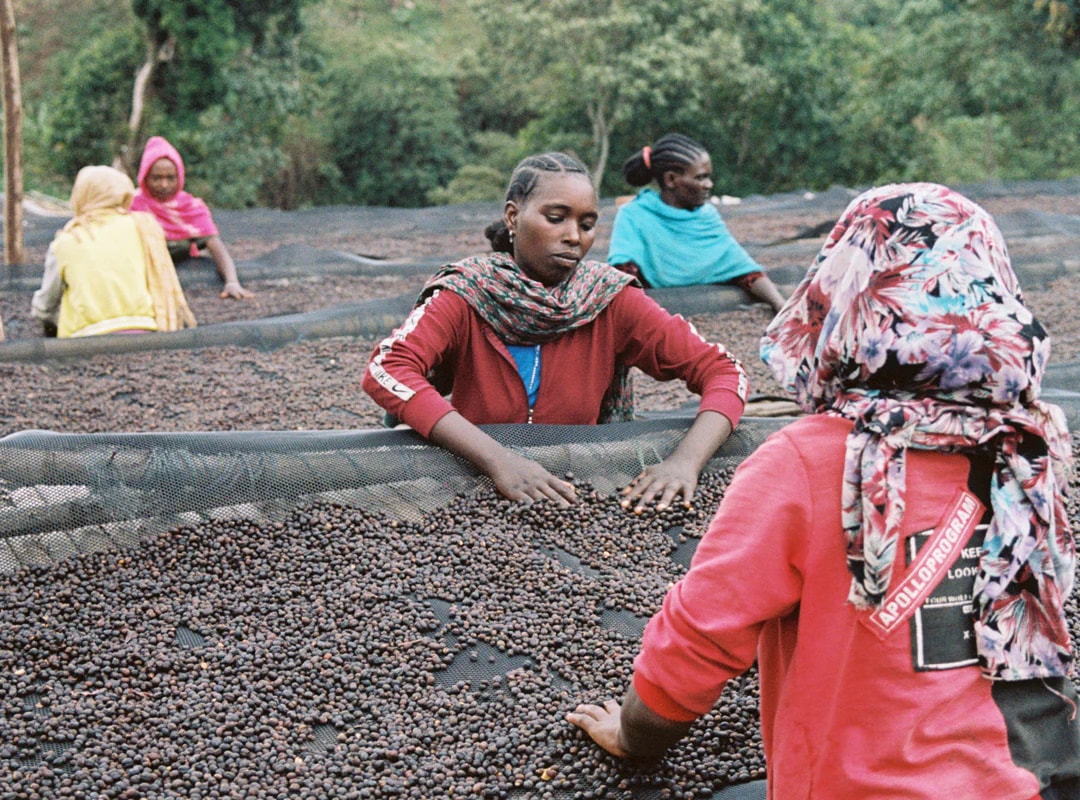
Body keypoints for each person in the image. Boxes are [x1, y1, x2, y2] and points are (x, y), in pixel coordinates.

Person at [568, 183, 1080, 798]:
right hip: (1028, 778)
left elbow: (697, 641)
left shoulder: (807, 463)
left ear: (844, 292)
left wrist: (634, 735)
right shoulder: (1030, 445)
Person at [362, 152, 749, 511]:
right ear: (513, 217)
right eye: (556, 217)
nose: (573, 236)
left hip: (577, 489)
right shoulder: (466, 292)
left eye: (586, 224)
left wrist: (685, 462)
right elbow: (388, 369)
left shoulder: (609, 298)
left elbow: (725, 372)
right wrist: (500, 461)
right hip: (468, 480)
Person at [607, 133, 786, 313]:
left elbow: (745, 271)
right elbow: (624, 276)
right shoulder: (634, 215)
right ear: (671, 179)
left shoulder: (707, 218)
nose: (709, 184)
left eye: (708, 177)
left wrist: (780, 305)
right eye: (700, 177)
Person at [31, 165, 197, 338]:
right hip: (144, 331)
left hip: (83, 338)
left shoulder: (67, 241)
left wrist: (47, 320)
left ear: (81, 194)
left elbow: (45, 305)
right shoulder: (143, 227)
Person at [129, 135, 254, 300]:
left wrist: (231, 282)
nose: (164, 185)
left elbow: (216, 247)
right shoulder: (132, 206)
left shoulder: (190, 208)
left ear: (179, 177)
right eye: (156, 178)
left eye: (170, 178)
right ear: (145, 177)